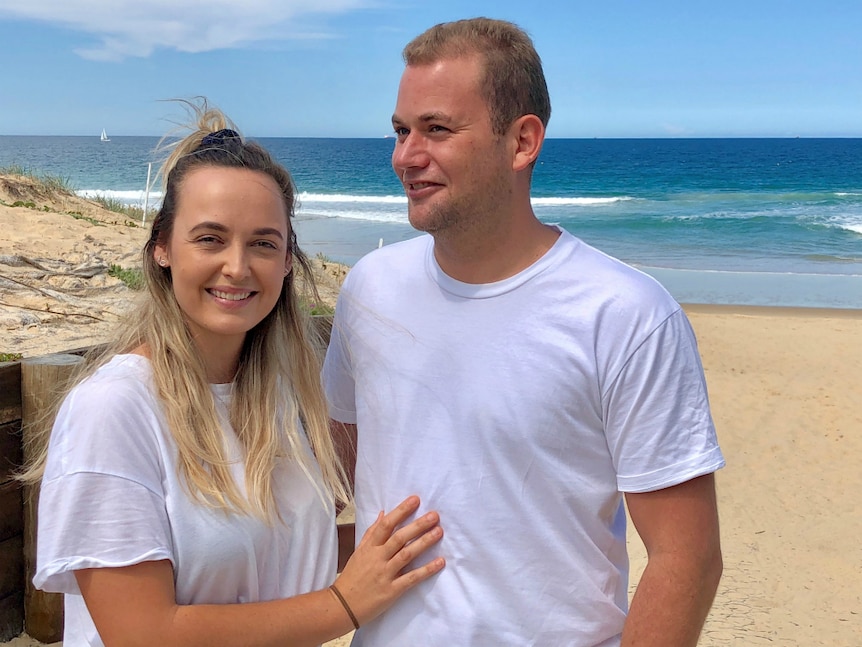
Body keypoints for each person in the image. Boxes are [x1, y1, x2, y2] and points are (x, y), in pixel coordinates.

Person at [323, 17, 724, 647]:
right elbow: (328, 481)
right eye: (401, 131)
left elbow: (687, 558)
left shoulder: (626, 314)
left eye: (437, 129)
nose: (406, 156)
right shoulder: (369, 288)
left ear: (522, 141)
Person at [21, 100, 444, 647]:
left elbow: (271, 552)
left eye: (263, 243)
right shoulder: (115, 408)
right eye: (210, 238)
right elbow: (142, 632)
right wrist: (346, 604)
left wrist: (417, 543)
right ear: (161, 250)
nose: (238, 266)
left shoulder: (284, 399)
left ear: (289, 261)